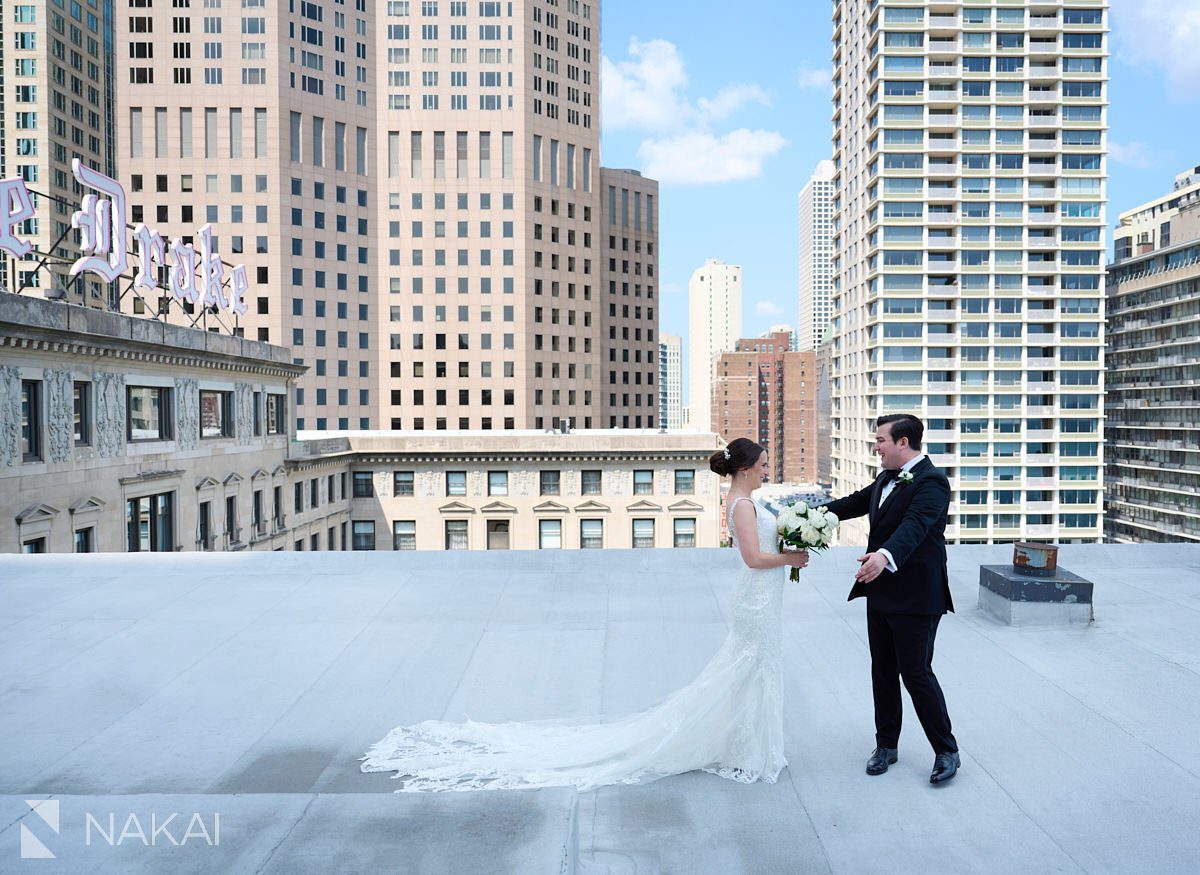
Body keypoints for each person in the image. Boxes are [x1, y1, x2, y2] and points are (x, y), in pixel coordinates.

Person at [360, 437, 809, 791]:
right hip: (756, 597)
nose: (768, 469)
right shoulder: (744, 504)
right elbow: (752, 558)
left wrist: (787, 548)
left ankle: (744, 746)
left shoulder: (742, 501)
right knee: (750, 670)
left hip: (760, 598)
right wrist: (791, 559)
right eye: (765, 463)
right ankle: (746, 751)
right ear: (746, 468)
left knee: (750, 672)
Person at [820, 414, 960, 785]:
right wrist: (806, 515)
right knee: (882, 671)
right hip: (880, 592)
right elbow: (853, 503)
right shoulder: (884, 477)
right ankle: (886, 746)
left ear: (903, 443)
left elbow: (914, 526)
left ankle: (946, 750)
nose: (876, 447)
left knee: (915, 674)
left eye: (881, 440)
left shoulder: (932, 482)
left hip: (916, 597)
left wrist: (883, 556)